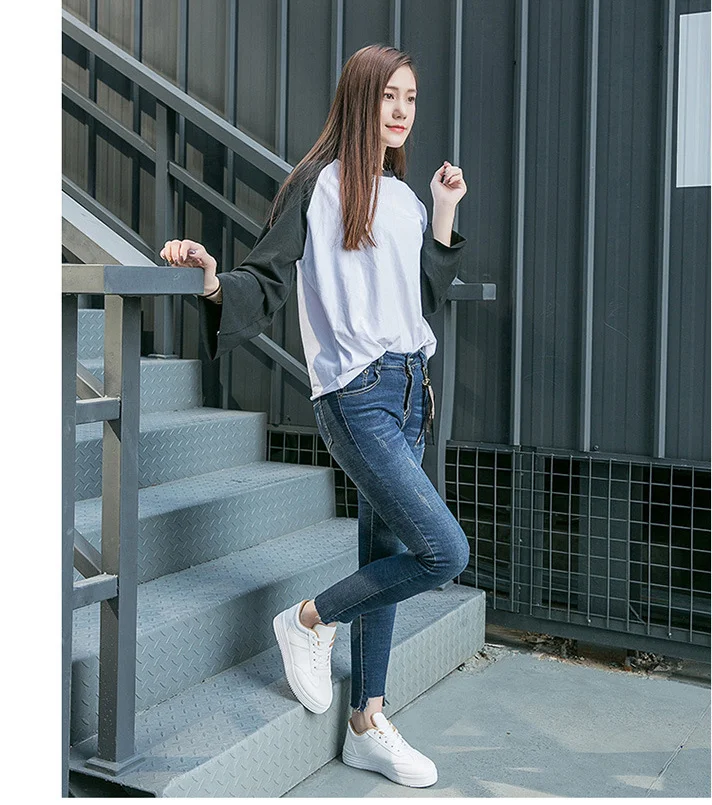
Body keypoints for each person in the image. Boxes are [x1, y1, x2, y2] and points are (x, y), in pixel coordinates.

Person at [160, 43, 470, 789]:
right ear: (361, 98)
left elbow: (423, 296)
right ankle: (309, 620)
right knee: (443, 552)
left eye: (411, 98)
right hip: (358, 396)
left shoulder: (404, 198)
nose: (402, 110)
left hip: (411, 390)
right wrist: (214, 282)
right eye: (389, 95)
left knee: (387, 551)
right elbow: (268, 276)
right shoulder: (319, 184)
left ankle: (366, 720)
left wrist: (445, 213)